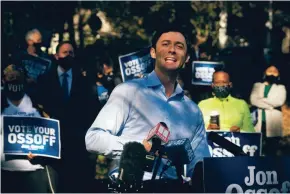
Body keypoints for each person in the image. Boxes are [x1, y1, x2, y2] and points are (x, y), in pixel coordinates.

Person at [85, 25, 210, 180]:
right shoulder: (128, 91)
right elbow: (93, 139)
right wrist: (136, 149)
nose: (172, 50)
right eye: (165, 44)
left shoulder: (193, 111)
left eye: (179, 46)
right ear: (153, 52)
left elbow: (200, 164)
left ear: (187, 58)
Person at [36, 41, 100, 192]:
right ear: (57, 56)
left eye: (71, 53)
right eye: (65, 53)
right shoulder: (44, 80)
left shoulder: (84, 81)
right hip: (53, 142)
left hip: (77, 144)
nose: (68, 56)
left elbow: (92, 109)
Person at [1, 64, 57, 193]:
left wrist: (43, 151)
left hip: (34, 170)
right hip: (4, 172)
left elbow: (50, 131)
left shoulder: (37, 102)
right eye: (11, 77)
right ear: (3, 80)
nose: (14, 80)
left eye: (18, 77)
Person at [250, 65, 287, 155]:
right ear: (264, 72)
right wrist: (270, 106)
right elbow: (253, 100)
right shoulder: (257, 85)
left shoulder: (281, 88)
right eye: (270, 70)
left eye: (275, 71)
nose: (272, 73)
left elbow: (279, 101)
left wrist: (262, 100)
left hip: (273, 121)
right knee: (257, 145)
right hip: (259, 120)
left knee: (272, 147)